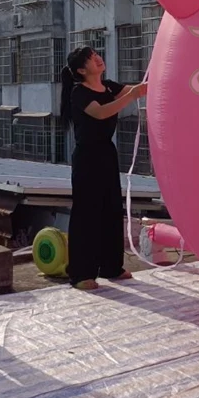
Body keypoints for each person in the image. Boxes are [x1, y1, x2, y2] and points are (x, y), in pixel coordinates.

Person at [60, 47, 147, 290]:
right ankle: (81, 273)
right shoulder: (79, 92)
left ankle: (111, 266)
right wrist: (132, 96)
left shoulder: (108, 85)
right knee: (86, 214)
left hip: (107, 154)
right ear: (81, 70)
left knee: (110, 210)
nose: (97, 58)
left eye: (97, 54)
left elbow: (137, 89)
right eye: (90, 58)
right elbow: (100, 112)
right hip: (87, 157)